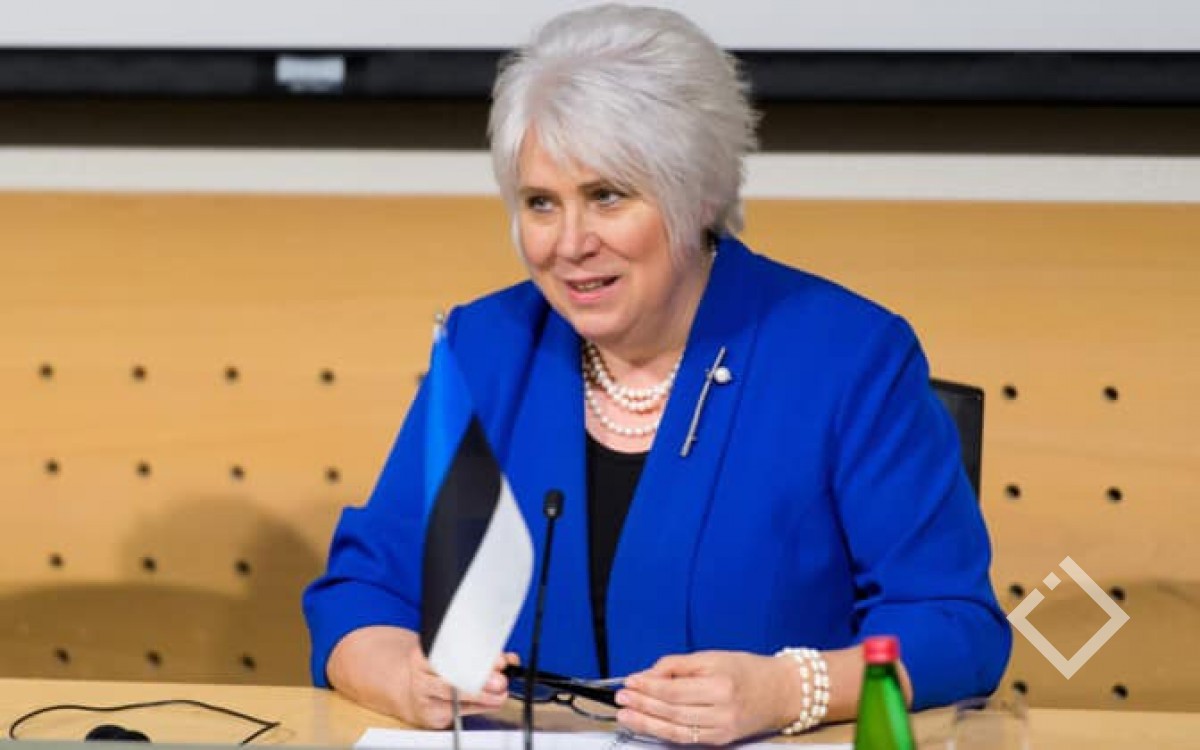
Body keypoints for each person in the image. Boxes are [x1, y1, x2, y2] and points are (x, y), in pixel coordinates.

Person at [303, 4, 1011, 745]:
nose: (570, 244)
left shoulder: (849, 356)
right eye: (541, 203)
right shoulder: (485, 347)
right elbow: (360, 594)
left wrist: (787, 690)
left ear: (697, 194)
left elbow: (955, 626)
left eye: (607, 196)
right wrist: (403, 675)